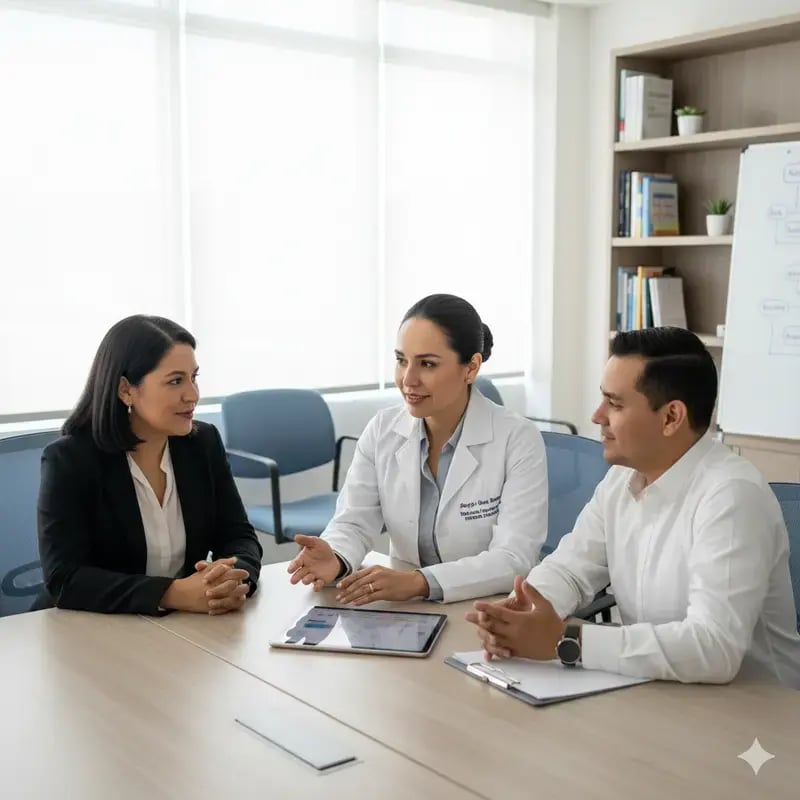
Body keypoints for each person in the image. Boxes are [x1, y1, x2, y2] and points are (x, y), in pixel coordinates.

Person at [467, 327, 800, 689]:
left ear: (671, 417)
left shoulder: (732, 496)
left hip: (756, 715)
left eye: (615, 404)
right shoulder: (621, 481)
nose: (597, 416)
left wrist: (567, 643)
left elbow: (714, 647)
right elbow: (570, 570)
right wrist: (521, 613)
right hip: (660, 690)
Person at [287, 293, 548, 604]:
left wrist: (420, 582)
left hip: (486, 606)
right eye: (401, 361)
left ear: (471, 367)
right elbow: (354, 521)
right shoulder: (382, 431)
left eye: (427, 364)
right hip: (406, 606)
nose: (408, 379)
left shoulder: (517, 438)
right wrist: (337, 557)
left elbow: (514, 557)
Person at [37, 315, 263, 615]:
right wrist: (172, 593)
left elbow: (237, 535)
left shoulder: (202, 443)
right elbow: (65, 579)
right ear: (126, 390)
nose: (192, 395)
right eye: (175, 381)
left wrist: (232, 579)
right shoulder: (71, 460)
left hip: (181, 627)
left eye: (194, 377)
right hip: (92, 628)